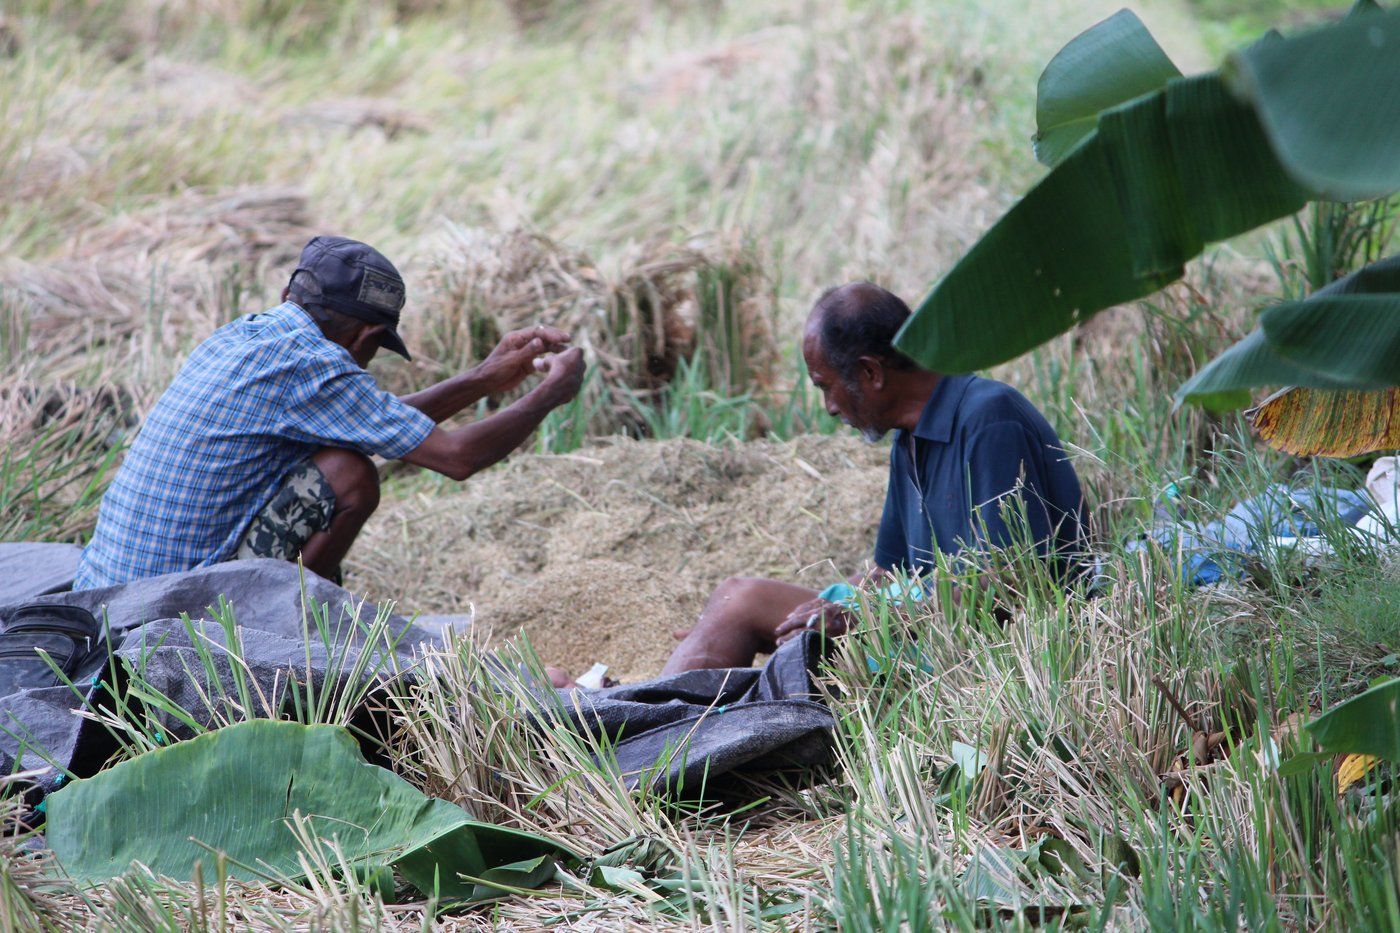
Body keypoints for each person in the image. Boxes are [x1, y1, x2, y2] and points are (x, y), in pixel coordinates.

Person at [74, 235, 585, 590]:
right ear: (366, 337)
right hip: (162, 615)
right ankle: (280, 631)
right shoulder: (313, 366)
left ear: (290, 295)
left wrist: (484, 378)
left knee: (341, 449)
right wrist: (549, 395)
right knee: (348, 474)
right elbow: (457, 458)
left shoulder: (246, 334)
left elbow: (374, 423)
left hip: (105, 595)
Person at [659, 281, 1087, 674]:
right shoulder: (910, 439)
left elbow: (1008, 585)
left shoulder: (989, 418)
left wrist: (860, 619)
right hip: (923, 628)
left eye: (826, 386)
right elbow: (889, 571)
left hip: (989, 654)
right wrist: (816, 612)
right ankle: (652, 715)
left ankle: (654, 726)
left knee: (751, 612)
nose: (828, 406)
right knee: (737, 600)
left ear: (871, 372)